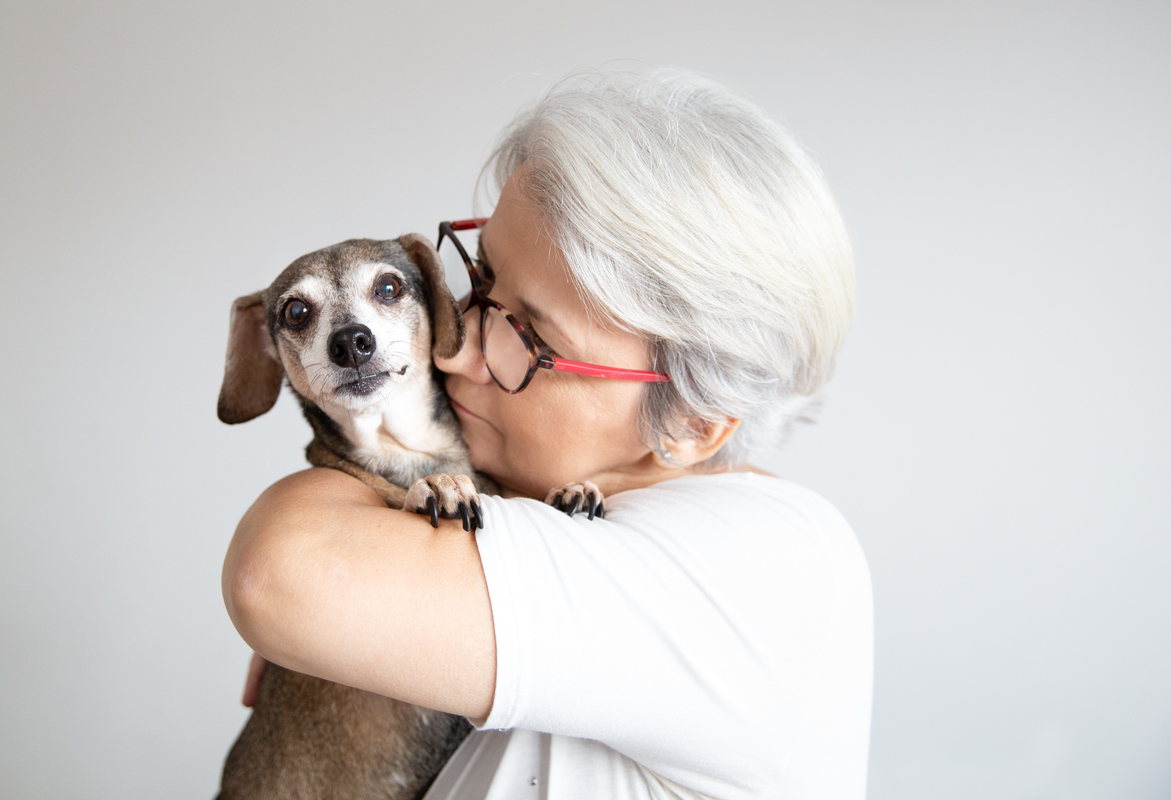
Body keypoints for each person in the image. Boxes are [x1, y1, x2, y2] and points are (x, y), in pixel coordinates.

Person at [222, 69, 872, 800]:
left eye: (525, 335)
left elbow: (280, 572)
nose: (454, 344)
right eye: (481, 279)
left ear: (691, 422)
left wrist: (344, 559)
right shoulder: (598, 526)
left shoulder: (749, 572)